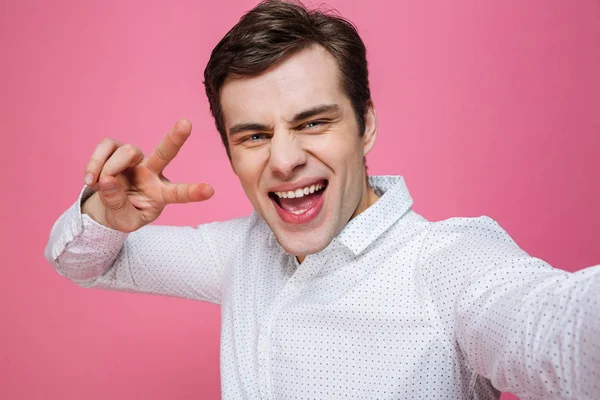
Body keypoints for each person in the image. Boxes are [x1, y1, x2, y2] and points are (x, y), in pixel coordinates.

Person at [44, 1, 599, 399]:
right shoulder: (237, 251)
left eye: (312, 122)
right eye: (254, 135)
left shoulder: (448, 264)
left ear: (366, 126)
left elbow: (554, 332)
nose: (284, 160)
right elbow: (85, 261)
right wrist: (104, 213)